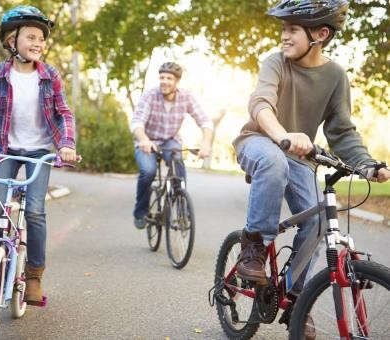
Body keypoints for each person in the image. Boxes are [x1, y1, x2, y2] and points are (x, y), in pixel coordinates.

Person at [232, 0, 390, 321]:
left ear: (320, 34)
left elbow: (341, 130)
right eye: (283, 29)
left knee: (318, 223)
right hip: (260, 142)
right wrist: (283, 136)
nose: (284, 36)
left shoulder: (334, 76)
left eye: (292, 30)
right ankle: (254, 247)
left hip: (299, 157)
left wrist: (367, 163)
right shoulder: (275, 63)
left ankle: (294, 299)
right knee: (274, 160)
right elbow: (261, 105)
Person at [0, 5, 77, 306]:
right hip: (4, 149)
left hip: (38, 151)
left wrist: (67, 145)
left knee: (34, 211)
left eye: (41, 39)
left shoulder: (49, 74)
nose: (38, 44)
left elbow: (63, 113)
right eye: (31, 37)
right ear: (11, 41)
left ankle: (33, 275)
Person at [130, 62, 214, 229]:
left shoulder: (186, 97)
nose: (164, 81)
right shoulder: (150, 95)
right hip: (148, 141)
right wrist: (144, 139)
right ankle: (140, 211)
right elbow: (137, 122)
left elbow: (205, 121)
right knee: (148, 171)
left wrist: (205, 143)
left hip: (170, 140)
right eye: (162, 77)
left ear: (177, 82)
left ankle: (181, 207)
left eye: (169, 78)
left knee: (177, 163)